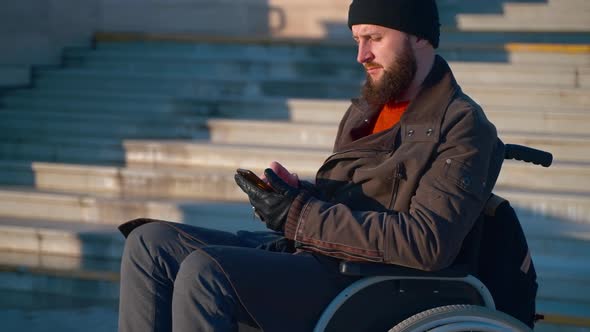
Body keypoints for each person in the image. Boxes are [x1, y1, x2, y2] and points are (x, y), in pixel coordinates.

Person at [117, 0, 505, 331]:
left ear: (419, 35)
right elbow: (350, 199)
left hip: (367, 279)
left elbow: (427, 243)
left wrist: (300, 215)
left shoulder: (462, 124)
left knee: (207, 270)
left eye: (374, 38)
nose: (361, 55)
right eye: (357, 40)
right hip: (318, 253)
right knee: (149, 243)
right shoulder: (367, 110)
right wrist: (296, 195)